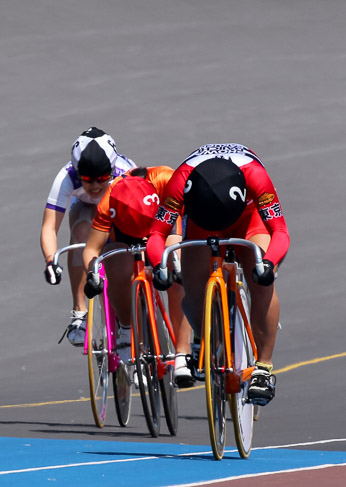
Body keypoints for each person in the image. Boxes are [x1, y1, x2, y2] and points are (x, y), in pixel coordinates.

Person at [146, 143, 289, 405]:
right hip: (203, 221)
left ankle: (264, 368)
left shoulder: (255, 175)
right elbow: (157, 234)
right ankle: (207, 334)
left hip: (248, 216)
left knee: (261, 279)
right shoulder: (180, 181)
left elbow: (279, 232)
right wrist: (159, 266)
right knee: (193, 288)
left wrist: (268, 264)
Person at [81, 167, 194, 387]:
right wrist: (91, 272)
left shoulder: (167, 181)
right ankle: (126, 328)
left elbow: (183, 228)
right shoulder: (110, 199)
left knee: (176, 267)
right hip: (123, 234)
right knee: (118, 270)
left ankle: (182, 354)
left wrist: (175, 265)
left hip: (164, 224)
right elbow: (91, 249)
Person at [41, 127, 136, 346]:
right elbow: (49, 227)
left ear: (111, 170)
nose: (95, 186)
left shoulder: (125, 172)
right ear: (77, 172)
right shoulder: (66, 177)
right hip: (84, 209)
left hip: (117, 207)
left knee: (124, 248)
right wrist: (50, 261)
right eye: (87, 180)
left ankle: (130, 319)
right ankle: (79, 312)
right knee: (81, 232)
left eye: (102, 178)